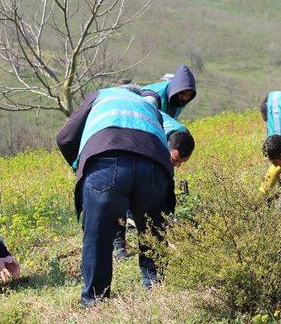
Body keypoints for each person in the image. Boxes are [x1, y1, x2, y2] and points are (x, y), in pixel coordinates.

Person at [56, 86, 195, 306]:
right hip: (154, 166)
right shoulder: (151, 108)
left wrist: (80, 166)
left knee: (98, 236)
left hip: (105, 160)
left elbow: (65, 138)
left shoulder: (101, 95)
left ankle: (96, 302)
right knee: (152, 232)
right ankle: (156, 292)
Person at [113, 66, 197, 259]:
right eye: (182, 94)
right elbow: (141, 120)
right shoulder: (152, 100)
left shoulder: (175, 121)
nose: (184, 98)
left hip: (154, 143)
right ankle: (119, 246)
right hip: (127, 143)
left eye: (188, 96)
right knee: (122, 193)